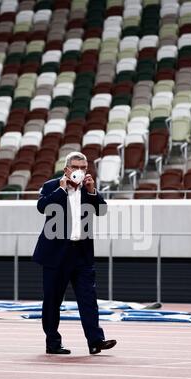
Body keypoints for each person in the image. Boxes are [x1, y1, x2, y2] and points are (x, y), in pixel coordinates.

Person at [33, 151, 117, 355]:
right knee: (52, 301)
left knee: (88, 299)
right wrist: (62, 190)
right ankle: (53, 343)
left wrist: (92, 191)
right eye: (76, 167)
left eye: (83, 168)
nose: (79, 171)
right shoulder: (52, 186)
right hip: (56, 254)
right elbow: (42, 207)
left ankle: (96, 341)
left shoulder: (89, 188)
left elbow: (103, 211)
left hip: (82, 254)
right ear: (66, 169)